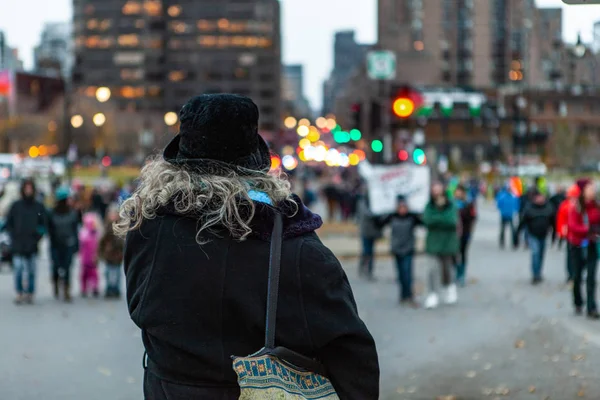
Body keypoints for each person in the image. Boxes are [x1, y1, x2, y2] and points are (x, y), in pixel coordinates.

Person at [116, 94, 379, 399]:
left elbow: (142, 310)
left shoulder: (148, 229)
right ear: (255, 166)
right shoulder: (293, 247)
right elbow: (352, 357)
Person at [5, 179, 47, 304]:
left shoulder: (38, 206)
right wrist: (13, 235)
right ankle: (19, 292)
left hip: (32, 243)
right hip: (18, 243)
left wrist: (38, 236)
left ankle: (30, 292)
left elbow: (43, 223)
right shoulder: (16, 205)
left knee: (31, 270)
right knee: (18, 268)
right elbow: (9, 223)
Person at [422, 182, 460, 309]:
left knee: (447, 269)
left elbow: (451, 221)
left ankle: (449, 288)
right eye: (434, 190)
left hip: (448, 243)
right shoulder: (429, 206)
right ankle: (432, 294)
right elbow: (427, 220)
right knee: (431, 269)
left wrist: (437, 219)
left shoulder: (450, 205)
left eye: (439, 190)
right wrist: (440, 219)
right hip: (433, 243)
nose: (437, 193)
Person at [567, 179, 600, 319]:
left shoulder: (596, 206)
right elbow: (572, 226)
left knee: (591, 276)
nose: (592, 191)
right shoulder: (576, 207)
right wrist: (587, 229)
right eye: (590, 188)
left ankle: (591, 306)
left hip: (592, 244)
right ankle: (578, 301)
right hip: (578, 245)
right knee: (577, 275)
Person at [381, 195, 422, 306]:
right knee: (400, 274)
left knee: (407, 273)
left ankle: (409, 295)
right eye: (400, 207)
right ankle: (403, 295)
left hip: (408, 249)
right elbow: (380, 222)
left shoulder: (412, 218)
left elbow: (423, 222)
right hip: (397, 250)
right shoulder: (392, 217)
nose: (402, 209)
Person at [48, 187, 80, 302]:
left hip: (68, 244)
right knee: (56, 266)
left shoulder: (73, 213)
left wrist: (76, 245)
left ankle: (66, 289)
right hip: (56, 245)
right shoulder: (51, 213)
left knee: (67, 267)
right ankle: (56, 283)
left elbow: (75, 230)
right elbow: (49, 229)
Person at [517, 190, 554, 284]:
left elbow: (553, 221)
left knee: (541, 254)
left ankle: (539, 272)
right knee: (535, 253)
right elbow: (523, 221)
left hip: (544, 235)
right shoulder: (529, 208)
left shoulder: (548, 208)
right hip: (532, 234)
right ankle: (535, 274)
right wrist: (517, 234)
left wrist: (554, 235)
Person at [556, 184, 581, 282]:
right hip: (569, 234)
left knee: (578, 256)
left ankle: (576, 273)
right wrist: (561, 232)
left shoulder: (579, 205)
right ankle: (571, 274)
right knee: (570, 255)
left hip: (579, 234)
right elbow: (560, 220)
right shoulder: (565, 206)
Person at [357, 191, 383, 281]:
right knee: (367, 251)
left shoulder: (376, 201)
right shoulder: (362, 201)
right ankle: (363, 267)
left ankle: (369, 270)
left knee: (371, 252)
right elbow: (366, 213)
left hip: (373, 230)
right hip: (365, 230)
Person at [454, 184, 477, 286]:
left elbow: (473, 217)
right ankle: (456, 272)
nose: (458, 194)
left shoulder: (468, 204)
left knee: (463, 253)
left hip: (465, 232)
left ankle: (461, 274)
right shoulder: (452, 204)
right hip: (453, 234)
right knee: (454, 254)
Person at [99, 207, 124, 298]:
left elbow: (122, 242)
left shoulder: (121, 227)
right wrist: (101, 253)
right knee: (108, 272)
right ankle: (109, 288)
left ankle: (116, 289)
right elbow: (102, 242)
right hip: (109, 255)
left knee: (117, 273)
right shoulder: (107, 227)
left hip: (117, 255)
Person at [79, 213, 100, 297]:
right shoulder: (84, 233)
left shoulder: (95, 233)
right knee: (85, 274)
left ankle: (94, 287)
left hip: (92, 258)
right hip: (85, 258)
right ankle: (84, 288)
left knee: (93, 274)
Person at [496, 184, 519, 249]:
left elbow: (516, 205)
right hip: (504, 215)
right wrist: (502, 210)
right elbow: (499, 204)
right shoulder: (502, 196)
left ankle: (514, 243)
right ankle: (502, 242)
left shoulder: (513, 197)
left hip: (510, 215)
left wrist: (514, 211)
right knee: (503, 230)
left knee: (513, 230)